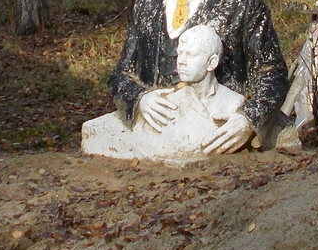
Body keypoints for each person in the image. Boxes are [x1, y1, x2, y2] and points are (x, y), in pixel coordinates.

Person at [108, 0, 289, 154]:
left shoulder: (244, 5)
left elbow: (272, 73)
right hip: (155, 139)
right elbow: (121, 75)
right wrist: (141, 99)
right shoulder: (145, 6)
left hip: (219, 140)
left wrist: (248, 120)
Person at [81, 25, 245, 161]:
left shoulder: (235, 104)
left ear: (212, 62)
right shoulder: (169, 101)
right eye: (180, 53)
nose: (181, 61)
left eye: (191, 55)